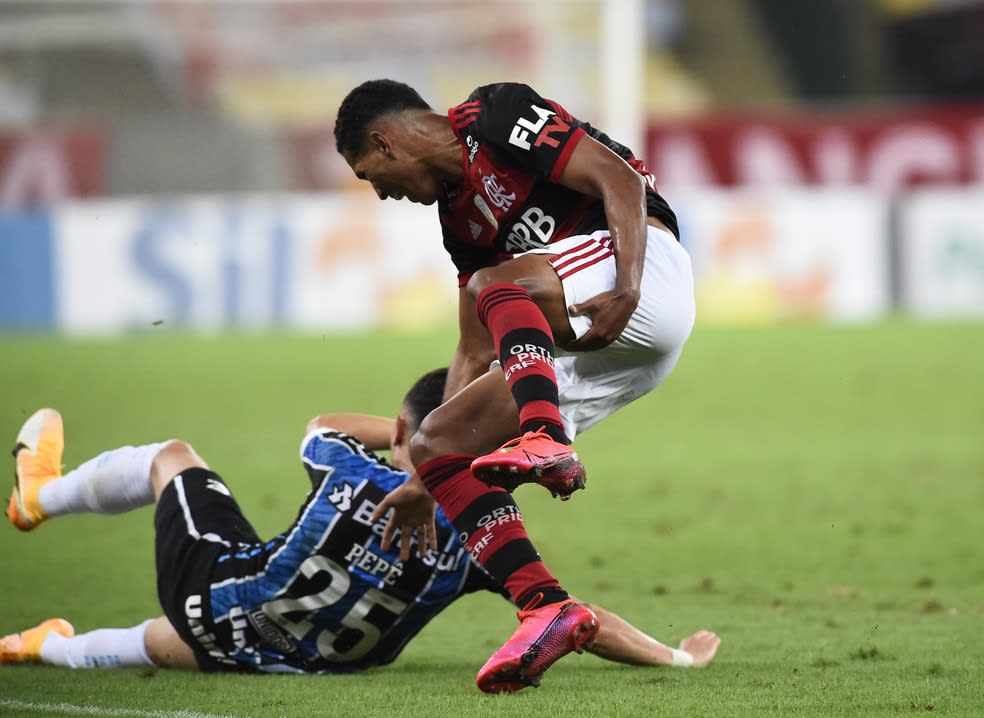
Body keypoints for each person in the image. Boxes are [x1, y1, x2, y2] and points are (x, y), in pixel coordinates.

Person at [2, 370, 720, 685]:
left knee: (171, 458)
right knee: (170, 643)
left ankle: (40, 496)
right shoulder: (485, 533)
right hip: (320, 660)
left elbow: (321, 424)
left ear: (406, 428)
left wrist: (416, 437)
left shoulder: (352, 468)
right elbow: (581, 618)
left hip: (227, 606)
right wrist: (678, 658)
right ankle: (48, 647)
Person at [333, 81, 696, 690]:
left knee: (494, 288)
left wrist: (629, 287)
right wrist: (423, 483)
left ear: (384, 142)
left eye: (371, 175)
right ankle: (545, 606)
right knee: (437, 442)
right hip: (603, 345)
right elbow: (475, 348)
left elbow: (620, 181)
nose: (384, 194)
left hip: (640, 274)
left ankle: (544, 433)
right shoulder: (460, 226)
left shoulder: (493, 114)